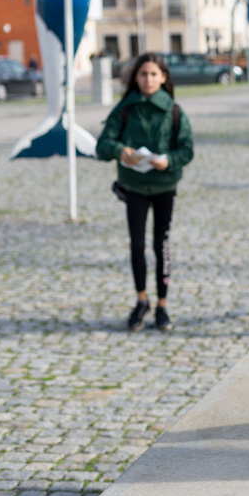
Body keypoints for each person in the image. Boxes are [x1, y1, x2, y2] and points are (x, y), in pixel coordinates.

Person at [96, 53, 194, 333]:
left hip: (165, 187)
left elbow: (187, 150)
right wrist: (119, 151)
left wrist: (169, 160)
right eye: (143, 74)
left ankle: (162, 305)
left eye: (153, 74)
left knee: (161, 245)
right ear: (135, 77)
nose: (148, 79)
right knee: (137, 245)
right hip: (135, 187)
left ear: (163, 77)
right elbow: (102, 145)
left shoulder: (174, 111)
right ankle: (141, 301)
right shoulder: (125, 109)